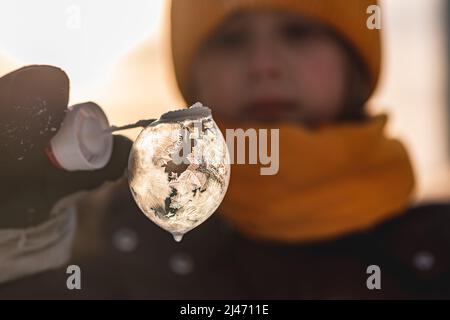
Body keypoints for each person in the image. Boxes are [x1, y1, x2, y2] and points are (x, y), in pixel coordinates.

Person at [0, 0, 449, 299]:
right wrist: (18, 243)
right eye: (231, 39)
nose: (263, 65)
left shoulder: (436, 254)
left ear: (355, 61)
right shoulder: (100, 248)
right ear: (191, 75)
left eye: (297, 31)